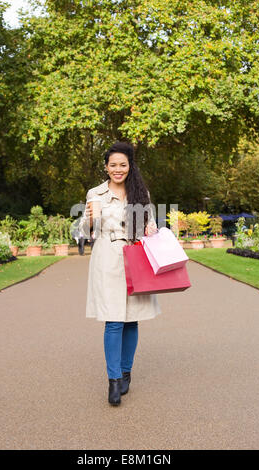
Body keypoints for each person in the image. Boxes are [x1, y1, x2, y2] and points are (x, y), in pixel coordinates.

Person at [78, 141, 161, 406]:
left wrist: (151, 229)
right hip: (108, 261)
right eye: (113, 165)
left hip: (136, 259)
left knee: (132, 320)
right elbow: (83, 231)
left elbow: (151, 223)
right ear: (105, 167)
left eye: (122, 165)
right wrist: (91, 218)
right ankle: (113, 380)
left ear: (130, 166)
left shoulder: (140, 191)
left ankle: (126, 372)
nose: (117, 169)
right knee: (113, 321)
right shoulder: (96, 194)